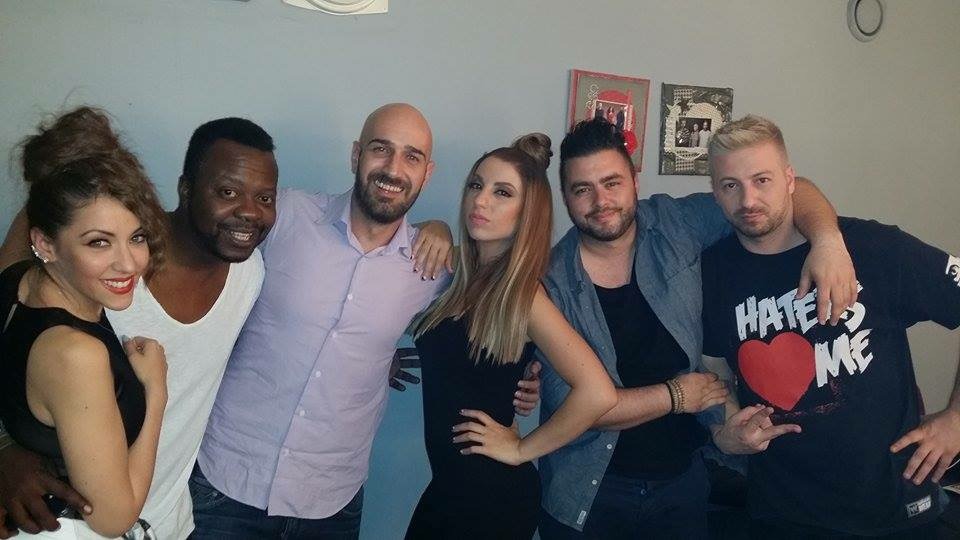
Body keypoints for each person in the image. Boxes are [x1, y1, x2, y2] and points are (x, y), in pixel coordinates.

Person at [188, 103, 533, 539]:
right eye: (380, 149)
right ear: (356, 155)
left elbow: (486, 325)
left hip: (330, 504)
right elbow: (201, 254)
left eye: (411, 157)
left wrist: (528, 371)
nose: (393, 168)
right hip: (227, 483)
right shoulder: (286, 215)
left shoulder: (433, 266)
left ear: (427, 174)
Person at [536, 118, 859, 539]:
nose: (601, 201)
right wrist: (675, 395)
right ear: (565, 196)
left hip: (684, 481)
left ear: (634, 182)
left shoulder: (675, 223)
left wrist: (829, 242)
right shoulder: (550, 282)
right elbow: (576, 409)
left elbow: (789, 193)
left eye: (612, 183)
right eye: (583, 189)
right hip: (588, 492)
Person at [0, 116, 280, 539]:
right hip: (74, 525)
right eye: (227, 192)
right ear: (186, 188)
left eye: (265, 198)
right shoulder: (95, 285)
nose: (248, 211)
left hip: (168, 519)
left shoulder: (250, 273)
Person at [702, 114, 960, 539]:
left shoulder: (873, 248)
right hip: (781, 512)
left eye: (762, 180)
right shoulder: (712, 271)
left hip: (894, 506)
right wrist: (723, 428)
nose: (748, 199)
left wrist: (956, 418)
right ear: (715, 192)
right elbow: (713, 368)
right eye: (731, 185)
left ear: (790, 180)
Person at [405, 134, 617, 539]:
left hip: (492, 497)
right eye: (476, 185)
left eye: (502, 192)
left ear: (527, 213)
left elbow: (598, 393)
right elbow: (391, 250)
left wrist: (522, 448)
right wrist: (433, 227)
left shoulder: (523, 296)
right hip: (449, 487)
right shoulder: (457, 271)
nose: (481, 200)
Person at [0, 107, 169, 538]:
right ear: (45, 243)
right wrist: (156, 390)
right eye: (99, 243)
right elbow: (113, 519)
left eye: (136, 237)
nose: (128, 263)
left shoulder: (16, 275)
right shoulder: (77, 355)